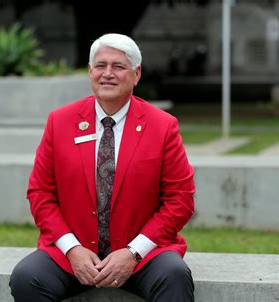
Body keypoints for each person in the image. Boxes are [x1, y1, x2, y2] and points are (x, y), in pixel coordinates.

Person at [10, 33, 195, 302]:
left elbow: (181, 199)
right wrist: (72, 248)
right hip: (73, 254)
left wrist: (133, 251)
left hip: (143, 255)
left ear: (136, 74)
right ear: (90, 72)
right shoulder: (59, 122)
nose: (108, 73)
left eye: (118, 66)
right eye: (100, 65)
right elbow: (40, 194)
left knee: (174, 276)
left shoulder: (162, 126)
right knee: (27, 277)